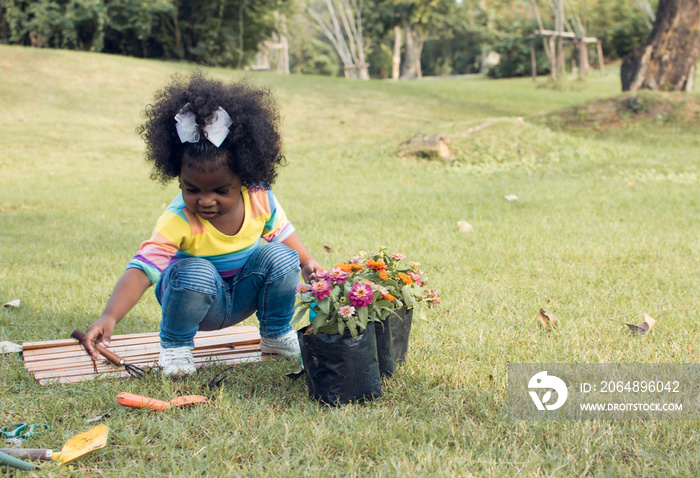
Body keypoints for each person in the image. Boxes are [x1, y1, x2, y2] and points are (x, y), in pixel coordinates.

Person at [83, 72, 324, 376]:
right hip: (195, 300)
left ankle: (275, 335)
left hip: (240, 296)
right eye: (192, 189)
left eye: (220, 191)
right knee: (197, 269)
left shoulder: (259, 196)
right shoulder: (179, 218)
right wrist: (109, 316)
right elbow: (143, 270)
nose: (205, 201)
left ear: (245, 178)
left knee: (282, 256)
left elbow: (284, 233)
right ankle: (176, 347)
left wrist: (308, 263)